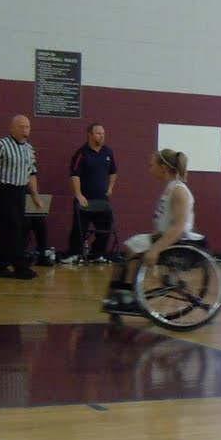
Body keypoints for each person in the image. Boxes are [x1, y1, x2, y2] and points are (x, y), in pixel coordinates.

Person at [103, 149, 198, 312]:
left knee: (133, 247)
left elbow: (179, 227)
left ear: (163, 168)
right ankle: (120, 293)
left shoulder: (179, 191)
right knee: (130, 248)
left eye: (151, 165)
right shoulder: (171, 188)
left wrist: (155, 250)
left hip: (177, 240)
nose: (149, 168)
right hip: (166, 236)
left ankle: (128, 296)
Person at [0, 114, 44, 280]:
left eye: (28, 127)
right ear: (12, 128)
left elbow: (31, 174)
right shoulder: (1, 145)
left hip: (20, 192)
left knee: (20, 229)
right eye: (21, 127)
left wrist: (35, 195)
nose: (25, 130)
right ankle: (20, 267)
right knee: (13, 228)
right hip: (3, 191)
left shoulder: (29, 148)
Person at [67, 123, 118, 262]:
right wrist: (78, 194)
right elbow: (75, 174)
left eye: (103, 133)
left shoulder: (108, 152)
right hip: (85, 199)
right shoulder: (81, 153)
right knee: (79, 229)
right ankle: (75, 254)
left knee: (105, 228)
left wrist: (110, 187)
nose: (102, 136)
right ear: (89, 135)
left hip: (102, 200)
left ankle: (97, 254)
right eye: (98, 133)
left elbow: (113, 171)